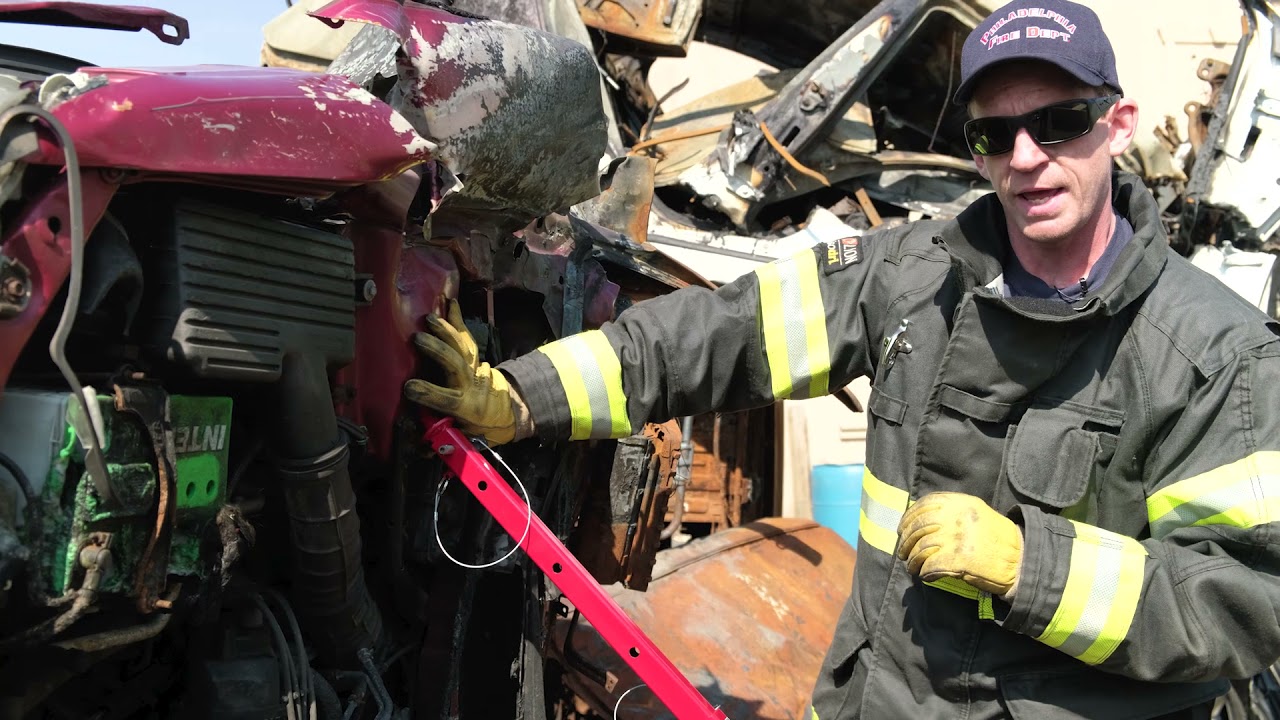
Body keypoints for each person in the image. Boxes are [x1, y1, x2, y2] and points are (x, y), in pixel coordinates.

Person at [404, 1, 1280, 717]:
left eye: (1059, 124)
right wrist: (520, 396)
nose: (1024, 158)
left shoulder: (1218, 356)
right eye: (993, 135)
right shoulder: (911, 275)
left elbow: (1241, 604)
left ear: (1118, 124)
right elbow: (716, 336)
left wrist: (1031, 568)